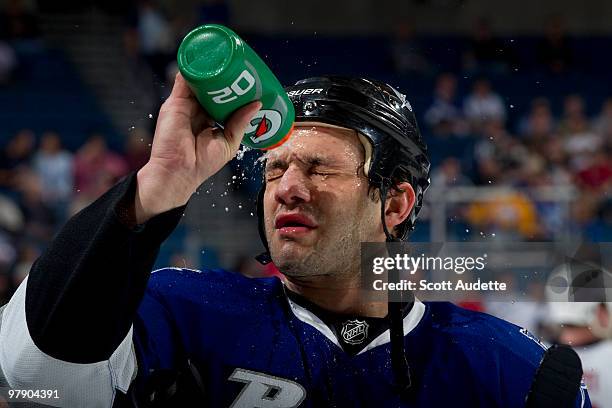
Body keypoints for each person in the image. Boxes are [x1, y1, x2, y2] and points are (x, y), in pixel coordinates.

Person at [0, 74, 589, 407]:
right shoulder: (178, 312)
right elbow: (32, 375)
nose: (289, 189)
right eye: (275, 170)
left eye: (321, 170)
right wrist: (157, 186)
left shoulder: (506, 369)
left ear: (396, 203)